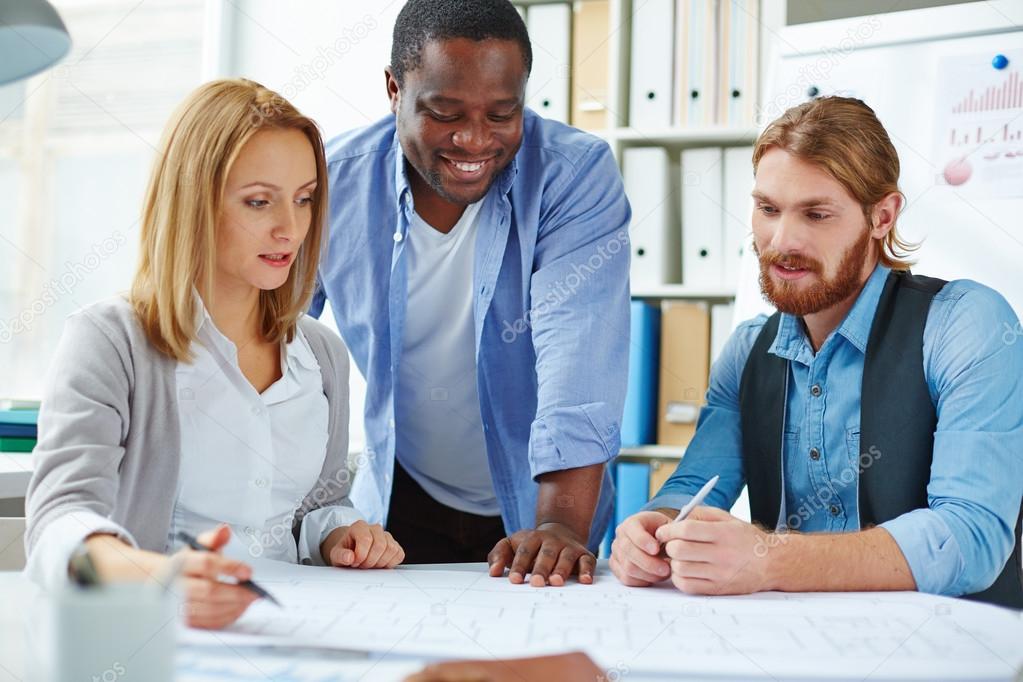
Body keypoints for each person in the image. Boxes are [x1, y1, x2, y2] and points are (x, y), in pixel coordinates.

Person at [611, 96, 1023, 608]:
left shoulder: (966, 323)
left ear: (882, 216)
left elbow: (972, 536)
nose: (782, 241)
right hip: (793, 643)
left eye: (816, 214)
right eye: (768, 209)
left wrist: (768, 558)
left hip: (942, 649)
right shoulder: (748, 350)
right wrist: (653, 529)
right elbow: (694, 487)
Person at [24, 79, 404, 630]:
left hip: (291, 630)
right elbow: (58, 524)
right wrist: (159, 578)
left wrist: (343, 535)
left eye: (304, 198)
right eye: (258, 201)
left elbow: (317, 506)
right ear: (193, 200)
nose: (290, 228)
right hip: (152, 638)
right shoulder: (110, 341)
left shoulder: (321, 355)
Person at [311, 0, 631, 586]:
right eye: (444, 111)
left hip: (544, 507)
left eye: (502, 114)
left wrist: (559, 527)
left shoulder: (574, 174)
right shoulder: (332, 181)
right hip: (396, 502)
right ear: (393, 88)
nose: (473, 140)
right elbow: (269, 341)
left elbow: (577, 353)